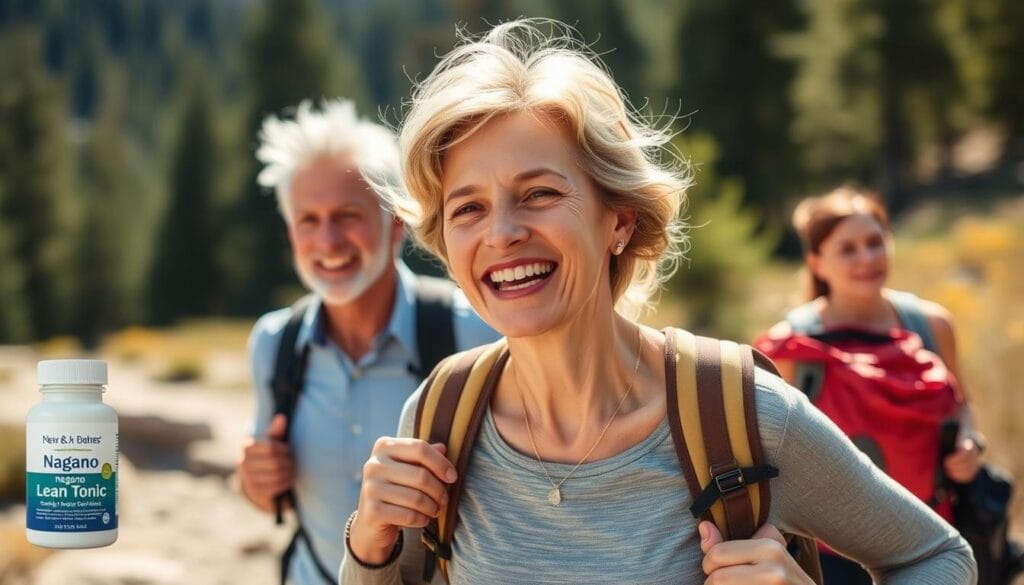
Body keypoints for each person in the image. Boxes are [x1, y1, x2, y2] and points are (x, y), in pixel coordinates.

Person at [341, 19, 977, 584]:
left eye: (538, 193)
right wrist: (368, 547)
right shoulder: (441, 416)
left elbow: (937, 556)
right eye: (468, 208)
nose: (501, 233)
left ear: (617, 221)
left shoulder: (743, 416)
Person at [236, 99, 498, 584]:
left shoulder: (474, 331)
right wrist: (258, 483)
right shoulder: (275, 344)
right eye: (307, 220)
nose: (328, 240)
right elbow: (268, 496)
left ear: (396, 222)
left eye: (347, 215)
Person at [757, 185, 985, 583]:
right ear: (817, 263)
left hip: (929, 542)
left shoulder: (931, 324)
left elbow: (960, 404)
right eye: (848, 249)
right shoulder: (790, 346)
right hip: (833, 553)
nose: (867, 258)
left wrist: (969, 442)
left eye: (875, 243)